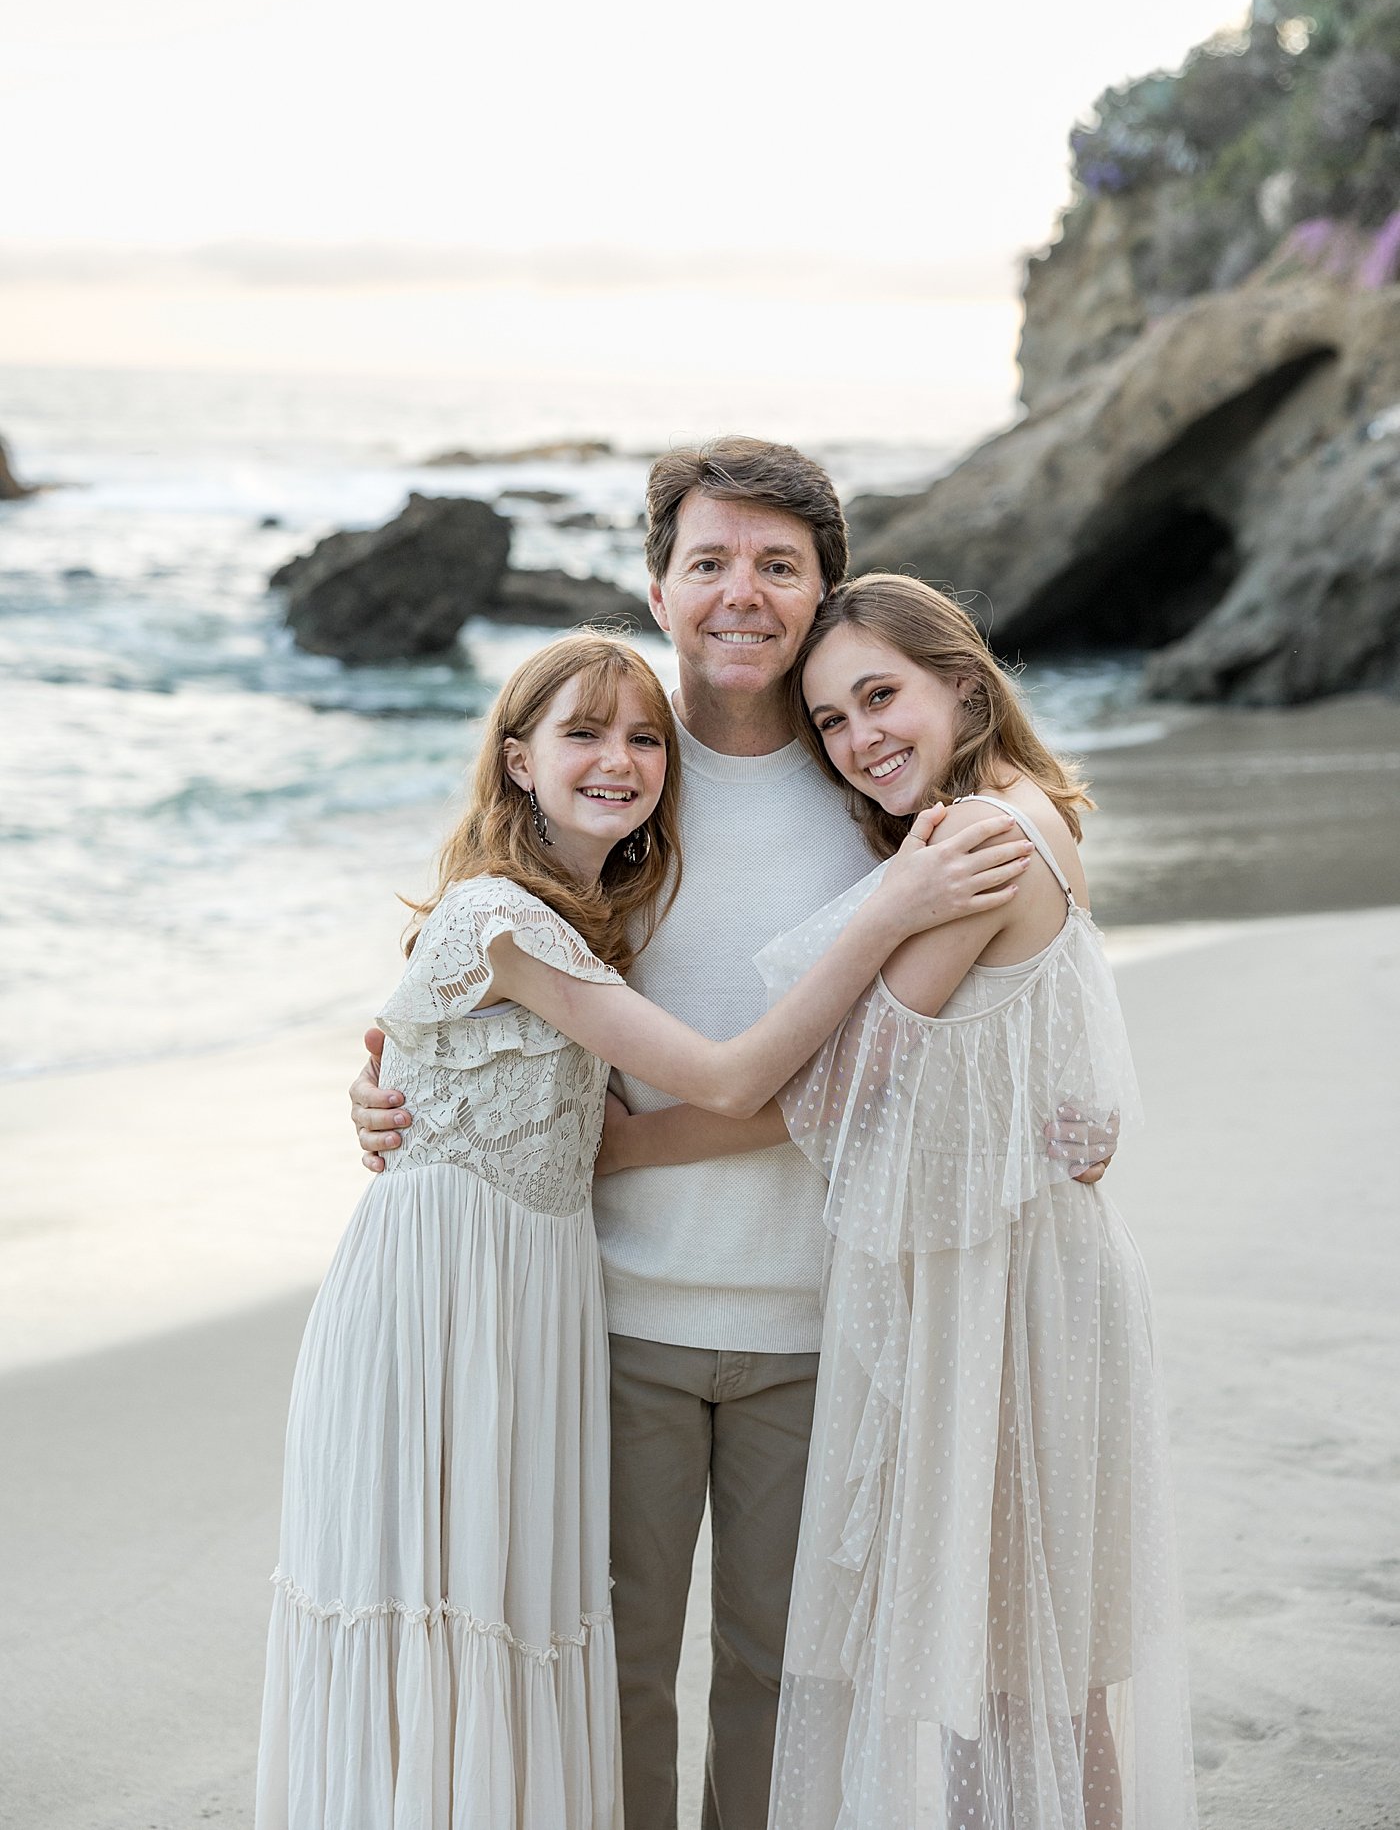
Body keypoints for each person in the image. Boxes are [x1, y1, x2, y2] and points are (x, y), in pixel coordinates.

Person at [353, 439, 1112, 1828]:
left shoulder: (877, 789)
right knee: (616, 1673)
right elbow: (480, 970)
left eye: (778, 565)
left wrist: (1062, 1107)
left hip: (822, 1321)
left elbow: (966, 1011)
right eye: (708, 562)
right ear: (660, 585)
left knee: (783, 1679)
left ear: (824, 592)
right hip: (611, 1313)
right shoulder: (616, 773)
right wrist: (391, 1098)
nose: (740, 593)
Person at [260, 626, 1030, 1830]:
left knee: (568, 1633)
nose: (619, 759)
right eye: (580, 735)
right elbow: (720, 1078)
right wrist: (884, 918)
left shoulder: (597, 900)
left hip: (543, 1299)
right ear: (515, 762)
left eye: (637, 740)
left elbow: (443, 1050)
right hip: (478, 1308)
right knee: (501, 1625)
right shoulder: (509, 920)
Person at [606, 574, 1196, 1830]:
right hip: (1011, 1263)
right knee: (1030, 1672)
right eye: (829, 719)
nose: (860, 736)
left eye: (882, 697)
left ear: (963, 687)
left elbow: (845, 1085)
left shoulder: (978, 838)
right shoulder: (1012, 811)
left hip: (1009, 1290)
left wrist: (620, 1150)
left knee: (1017, 1677)